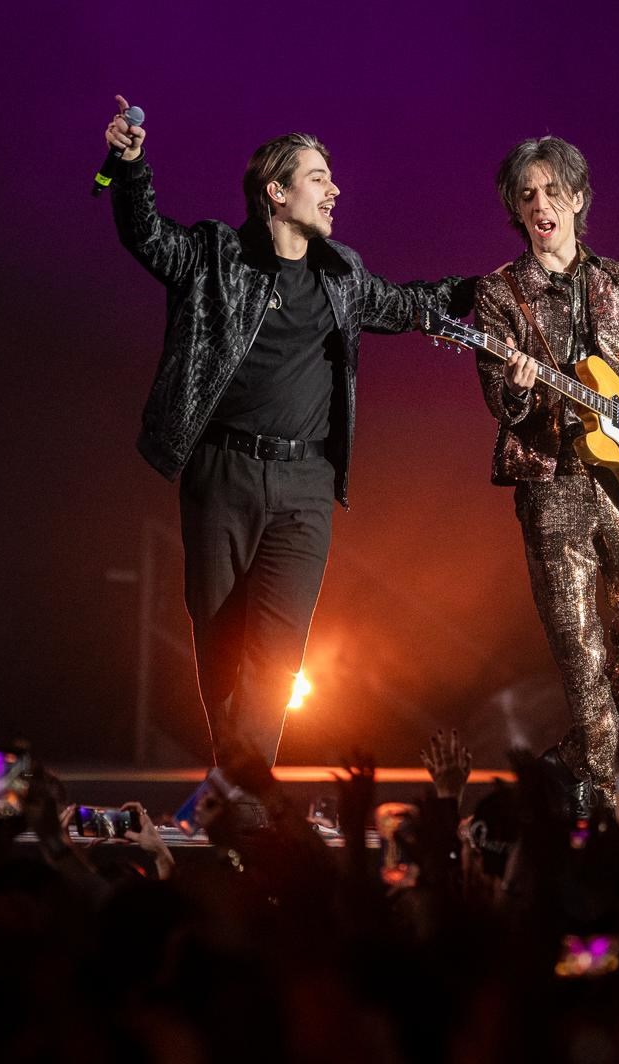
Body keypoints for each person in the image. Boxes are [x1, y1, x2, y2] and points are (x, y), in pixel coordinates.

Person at [103, 97, 475, 767]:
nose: (335, 190)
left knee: (276, 657)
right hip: (223, 473)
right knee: (219, 646)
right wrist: (128, 166)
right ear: (276, 192)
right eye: (317, 177)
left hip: (306, 485)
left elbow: (412, 305)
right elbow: (147, 236)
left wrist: (491, 290)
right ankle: (240, 786)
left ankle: (245, 794)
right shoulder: (217, 254)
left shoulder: (343, 274)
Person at [473, 136, 619, 803]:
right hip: (553, 487)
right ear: (516, 210)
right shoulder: (499, 293)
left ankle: (573, 757)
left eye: (552, 191)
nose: (539, 204)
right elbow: (501, 404)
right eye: (526, 195)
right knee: (581, 659)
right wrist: (517, 385)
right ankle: (598, 815)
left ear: (577, 199)